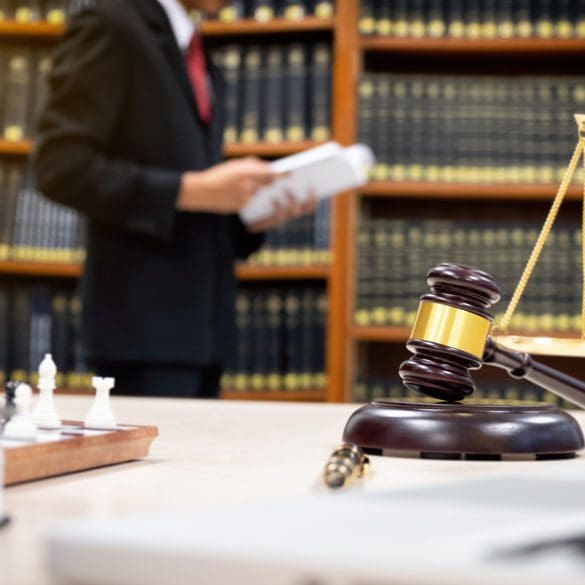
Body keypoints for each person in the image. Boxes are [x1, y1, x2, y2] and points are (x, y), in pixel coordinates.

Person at [34, 0, 314, 398]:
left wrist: (251, 213)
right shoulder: (110, 24)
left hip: (203, 335)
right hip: (142, 331)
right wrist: (195, 190)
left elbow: (195, 193)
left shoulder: (199, 55)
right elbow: (60, 166)